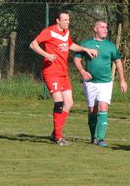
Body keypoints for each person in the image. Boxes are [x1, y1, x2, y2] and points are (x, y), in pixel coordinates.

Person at [29, 11, 98, 145]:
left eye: (68, 20)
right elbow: (33, 44)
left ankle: (56, 132)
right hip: (51, 72)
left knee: (69, 103)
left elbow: (70, 45)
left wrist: (85, 49)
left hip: (63, 73)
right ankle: (58, 137)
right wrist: (46, 55)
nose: (68, 22)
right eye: (65, 20)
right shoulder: (49, 32)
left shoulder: (66, 33)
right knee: (59, 103)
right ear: (57, 21)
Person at [73, 19, 128, 147]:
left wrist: (122, 80)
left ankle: (100, 138)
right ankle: (93, 137)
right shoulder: (86, 44)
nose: (105, 29)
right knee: (92, 110)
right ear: (95, 29)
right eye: (102, 27)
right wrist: (82, 71)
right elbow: (77, 59)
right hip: (90, 83)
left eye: (106, 27)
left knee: (103, 107)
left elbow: (118, 62)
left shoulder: (110, 46)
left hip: (106, 83)